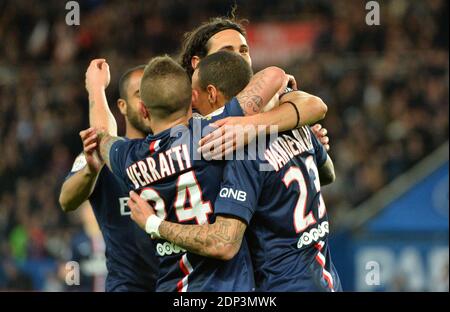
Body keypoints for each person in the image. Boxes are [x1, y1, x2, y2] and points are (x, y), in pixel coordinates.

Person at [91, 53, 327, 291]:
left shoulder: (129, 158)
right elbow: (273, 75)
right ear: (190, 101)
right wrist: (253, 121)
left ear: (143, 110)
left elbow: (101, 136)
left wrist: (96, 88)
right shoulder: (213, 135)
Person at [59, 65, 158, 292]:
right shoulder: (101, 155)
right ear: (122, 106)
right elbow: (66, 200)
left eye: (154, 93)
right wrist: (91, 171)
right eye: (140, 94)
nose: (148, 102)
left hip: (179, 286)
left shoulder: (175, 150)